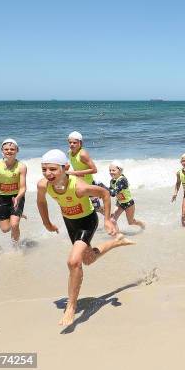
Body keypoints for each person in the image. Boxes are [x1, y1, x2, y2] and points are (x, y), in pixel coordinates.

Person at [36, 149, 134, 326]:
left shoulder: (79, 187)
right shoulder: (44, 185)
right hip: (70, 223)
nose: (48, 173)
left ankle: (71, 307)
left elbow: (104, 194)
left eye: (52, 169)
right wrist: (46, 223)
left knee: (73, 262)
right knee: (88, 260)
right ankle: (117, 242)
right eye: (44, 169)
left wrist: (107, 220)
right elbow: (41, 201)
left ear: (65, 168)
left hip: (87, 222)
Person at [0, 139, 27, 243]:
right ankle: (18, 215)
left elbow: (23, 187)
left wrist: (18, 198)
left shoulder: (22, 167)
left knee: (14, 224)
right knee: (5, 229)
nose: (9, 151)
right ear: (2, 150)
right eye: (6, 149)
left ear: (17, 150)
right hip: (3, 198)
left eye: (12, 149)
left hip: (17, 197)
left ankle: (16, 247)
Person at [106, 160, 146, 236]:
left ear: (120, 170)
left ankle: (142, 225)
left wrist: (102, 189)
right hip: (120, 203)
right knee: (112, 219)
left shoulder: (122, 180)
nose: (111, 172)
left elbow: (114, 193)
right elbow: (110, 190)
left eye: (113, 170)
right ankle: (117, 236)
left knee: (131, 222)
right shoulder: (112, 181)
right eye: (110, 170)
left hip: (128, 204)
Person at [67, 131, 102, 211]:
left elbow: (94, 170)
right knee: (80, 206)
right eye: (70, 142)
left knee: (97, 208)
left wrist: (74, 173)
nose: (72, 144)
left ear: (80, 143)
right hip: (78, 184)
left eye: (75, 142)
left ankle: (110, 219)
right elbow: (75, 164)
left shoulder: (83, 154)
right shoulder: (69, 152)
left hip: (89, 184)